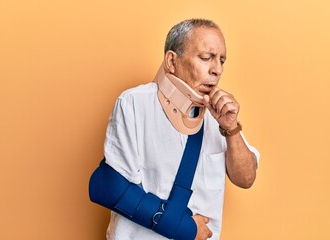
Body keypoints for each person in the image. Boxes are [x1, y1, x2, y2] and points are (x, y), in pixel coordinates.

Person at [92, 18, 260, 240]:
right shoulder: (134, 103)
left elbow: (246, 179)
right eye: (206, 58)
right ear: (172, 61)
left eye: (222, 60)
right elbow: (109, 187)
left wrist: (231, 128)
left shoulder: (220, 117)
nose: (217, 70)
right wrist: (184, 228)